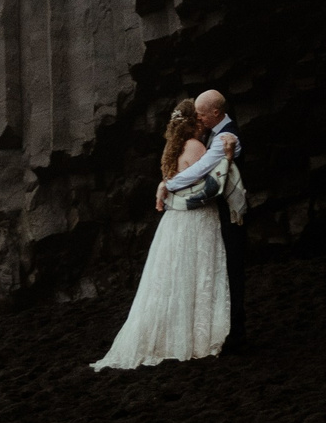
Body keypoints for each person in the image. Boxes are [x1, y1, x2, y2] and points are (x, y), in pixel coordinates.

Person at [90, 98, 232, 369]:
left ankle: (169, 335)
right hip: (196, 219)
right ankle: (196, 338)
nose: (203, 124)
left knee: (172, 278)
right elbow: (212, 184)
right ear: (193, 122)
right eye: (199, 119)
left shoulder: (172, 148)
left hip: (173, 221)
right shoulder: (195, 146)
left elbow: (175, 181)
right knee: (196, 273)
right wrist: (226, 157)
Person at [158, 89, 248, 353]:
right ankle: (227, 332)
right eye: (196, 115)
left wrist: (167, 185)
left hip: (227, 216)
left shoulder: (226, 137)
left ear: (215, 112)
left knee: (230, 273)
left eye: (201, 114)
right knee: (218, 272)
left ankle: (234, 333)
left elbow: (201, 169)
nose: (198, 119)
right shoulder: (209, 136)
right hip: (214, 215)